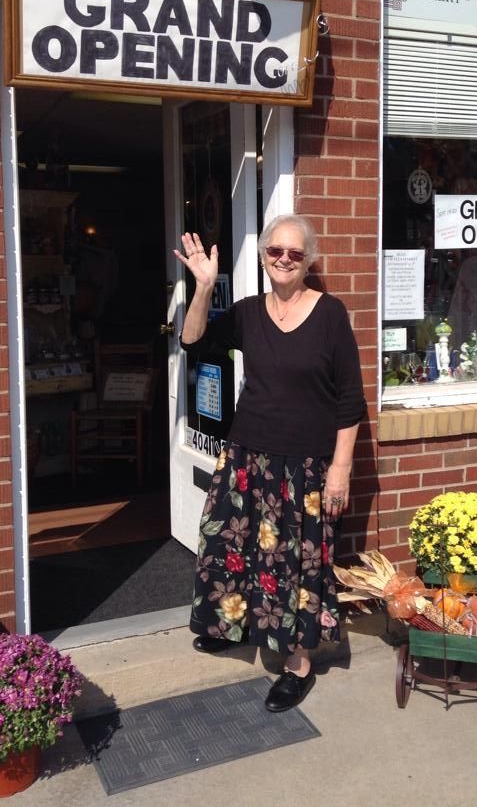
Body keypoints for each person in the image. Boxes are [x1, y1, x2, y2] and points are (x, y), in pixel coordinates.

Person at [174, 214, 366, 712]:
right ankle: (230, 623)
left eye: (295, 253)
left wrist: (341, 467)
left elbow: (350, 400)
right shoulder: (246, 313)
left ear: (308, 261)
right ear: (263, 257)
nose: (283, 259)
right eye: (275, 251)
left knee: (294, 564)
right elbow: (192, 342)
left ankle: (297, 664)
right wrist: (203, 288)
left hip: (304, 466)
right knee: (227, 546)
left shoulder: (330, 314)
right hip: (246, 455)